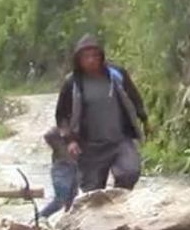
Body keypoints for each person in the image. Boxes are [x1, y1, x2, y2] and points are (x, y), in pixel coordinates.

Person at [54, 36, 149, 192]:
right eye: (86, 57)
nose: (91, 60)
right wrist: (70, 140)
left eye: (95, 56)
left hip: (120, 140)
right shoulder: (72, 83)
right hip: (90, 146)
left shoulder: (117, 75)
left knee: (130, 172)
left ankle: (119, 206)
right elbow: (62, 116)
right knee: (92, 192)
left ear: (102, 57)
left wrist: (144, 119)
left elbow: (134, 97)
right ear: (78, 60)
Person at [39, 125, 78, 218]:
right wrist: (65, 145)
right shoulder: (67, 126)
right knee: (60, 201)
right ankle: (37, 220)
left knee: (72, 203)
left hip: (75, 167)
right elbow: (48, 135)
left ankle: (68, 225)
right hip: (62, 167)